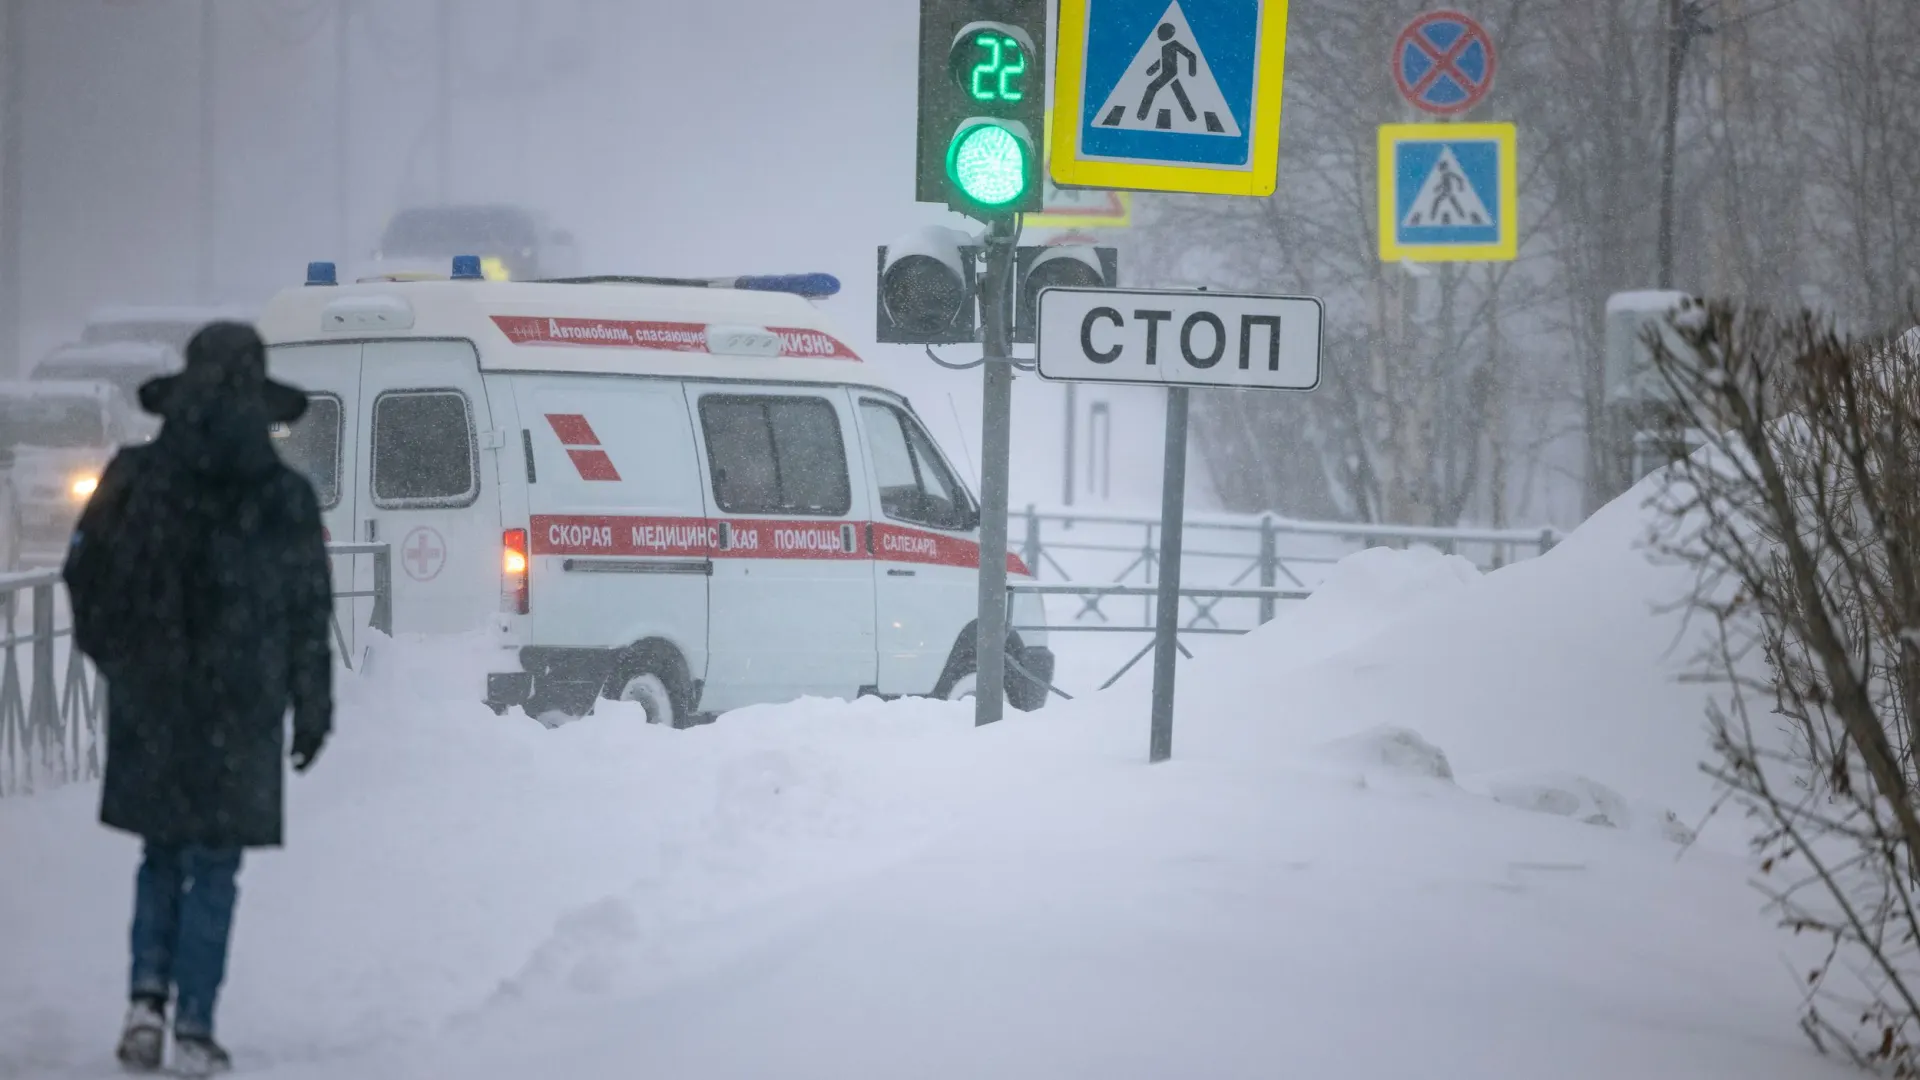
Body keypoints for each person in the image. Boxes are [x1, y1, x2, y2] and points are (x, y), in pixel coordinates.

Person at [63, 321, 334, 1076]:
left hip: (153, 700)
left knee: (160, 853)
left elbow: (83, 575)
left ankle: (145, 1001)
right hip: (240, 709)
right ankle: (194, 1026)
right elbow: (309, 611)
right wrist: (311, 705)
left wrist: (118, 657)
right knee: (214, 865)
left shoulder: (134, 477)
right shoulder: (283, 496)